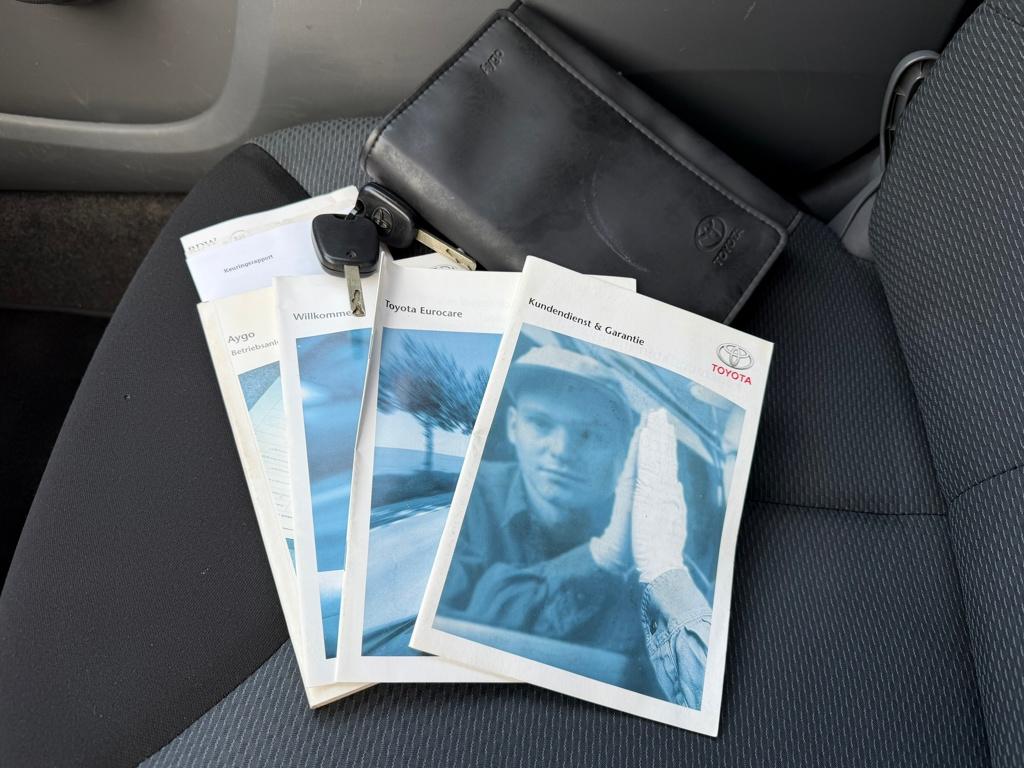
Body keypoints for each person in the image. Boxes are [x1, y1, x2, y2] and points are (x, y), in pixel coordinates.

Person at [437, 345, 712, 709]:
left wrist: (661, 570)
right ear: (514, 426)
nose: (562, 450)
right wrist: (601, 556)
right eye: (541, 424)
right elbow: (443, 631)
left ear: (622, 453)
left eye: (589, 435)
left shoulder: (651, 536)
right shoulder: (467, 495)